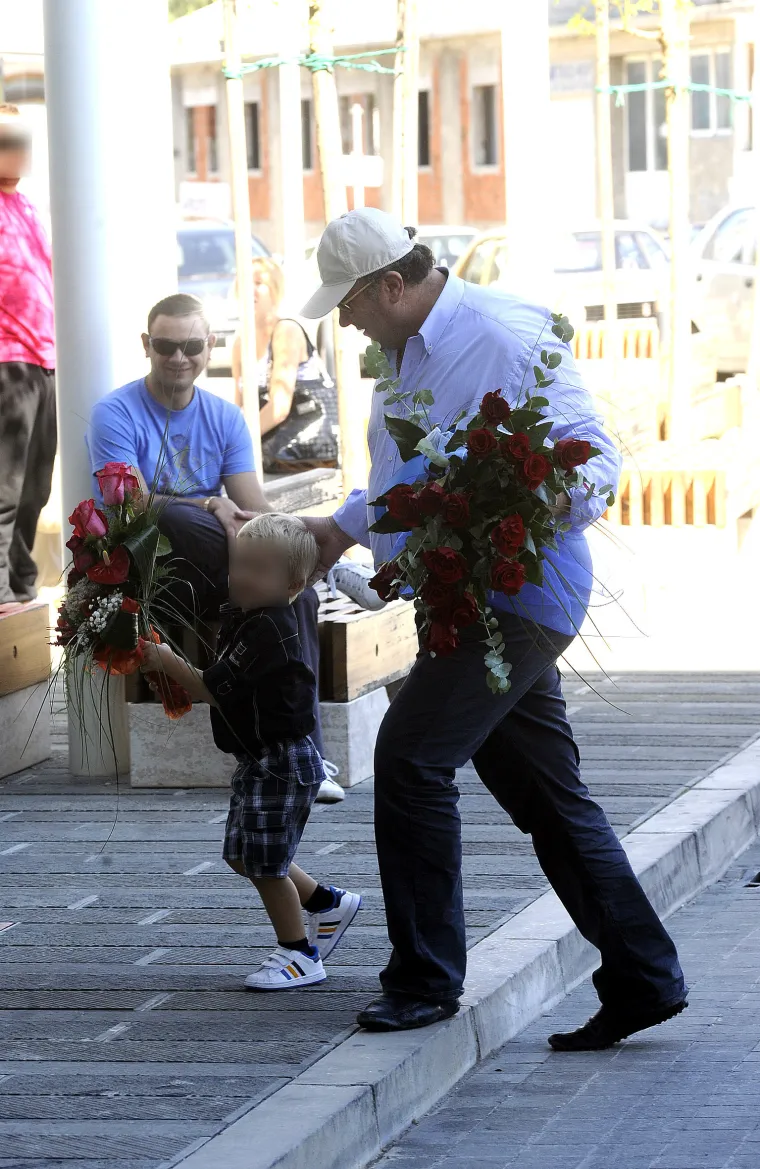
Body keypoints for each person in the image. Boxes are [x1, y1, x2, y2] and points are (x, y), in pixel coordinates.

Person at [299, 207, 688, 1048]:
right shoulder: (403, 348)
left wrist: (536, 495)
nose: (344, 318)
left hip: (518, 598)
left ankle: (425, 980)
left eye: (349, 301)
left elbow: (596, 459)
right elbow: (411, 473)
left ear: (392, 286)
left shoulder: (501, 332)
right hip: (469, 601)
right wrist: (340, 528)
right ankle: (645, 975)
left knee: (407, 760)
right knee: (549, 798)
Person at [85, 292, 342, 802]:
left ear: (210, 345)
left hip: (224, 577)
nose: (178, 357)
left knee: (300, 595)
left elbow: (252, 506)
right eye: (165, 345)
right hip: (156, 572)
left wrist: (285, 539)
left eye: (190, 345)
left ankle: (304, 757)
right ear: (146, 345)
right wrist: (210, 506)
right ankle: (308, 571)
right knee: (174, 513)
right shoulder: (114, 412)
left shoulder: (225, 417)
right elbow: (129, 503)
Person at [139, 512, 361, 989]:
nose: (241, 577)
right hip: (258, 759)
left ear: (295, 583)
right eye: (239, 564)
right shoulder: (249, 614)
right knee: (243, 857)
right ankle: (324, 902)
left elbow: (210, 689)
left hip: (281, 762)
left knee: (265, 864)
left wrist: (166, 660)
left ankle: (300, 955)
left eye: (258, 570)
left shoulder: (269, 630)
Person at [0, 104, 56, 605]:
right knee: (6, 486)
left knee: (37, 485)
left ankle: (20, 580)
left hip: (44, 360)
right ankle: (1, 587)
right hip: (7, 363)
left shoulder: (31, 209)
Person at [231, 256, 337, 474]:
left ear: (275, 290)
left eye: (259, 283)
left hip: (300, 458)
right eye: (244, 282)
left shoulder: (286, 331)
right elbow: (238, 406)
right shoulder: (241, 342)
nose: (250, 289)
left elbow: (279, 407)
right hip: (263, 455)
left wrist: (234, 444)